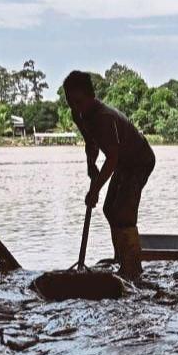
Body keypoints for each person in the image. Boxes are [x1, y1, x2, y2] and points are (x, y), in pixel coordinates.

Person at [62, 70, 155, 279]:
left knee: (123, 213)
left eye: (78, 101)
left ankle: (132, 268)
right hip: (122, 161)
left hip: (139, 160)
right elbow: (91, 142)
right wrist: (90, 165)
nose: (75, 107)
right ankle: (120, 259)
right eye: (70, 102)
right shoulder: (78, 115)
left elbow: (112, 158)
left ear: (90, 96)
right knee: (109, 209)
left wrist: (94, 190)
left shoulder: (104, 117)